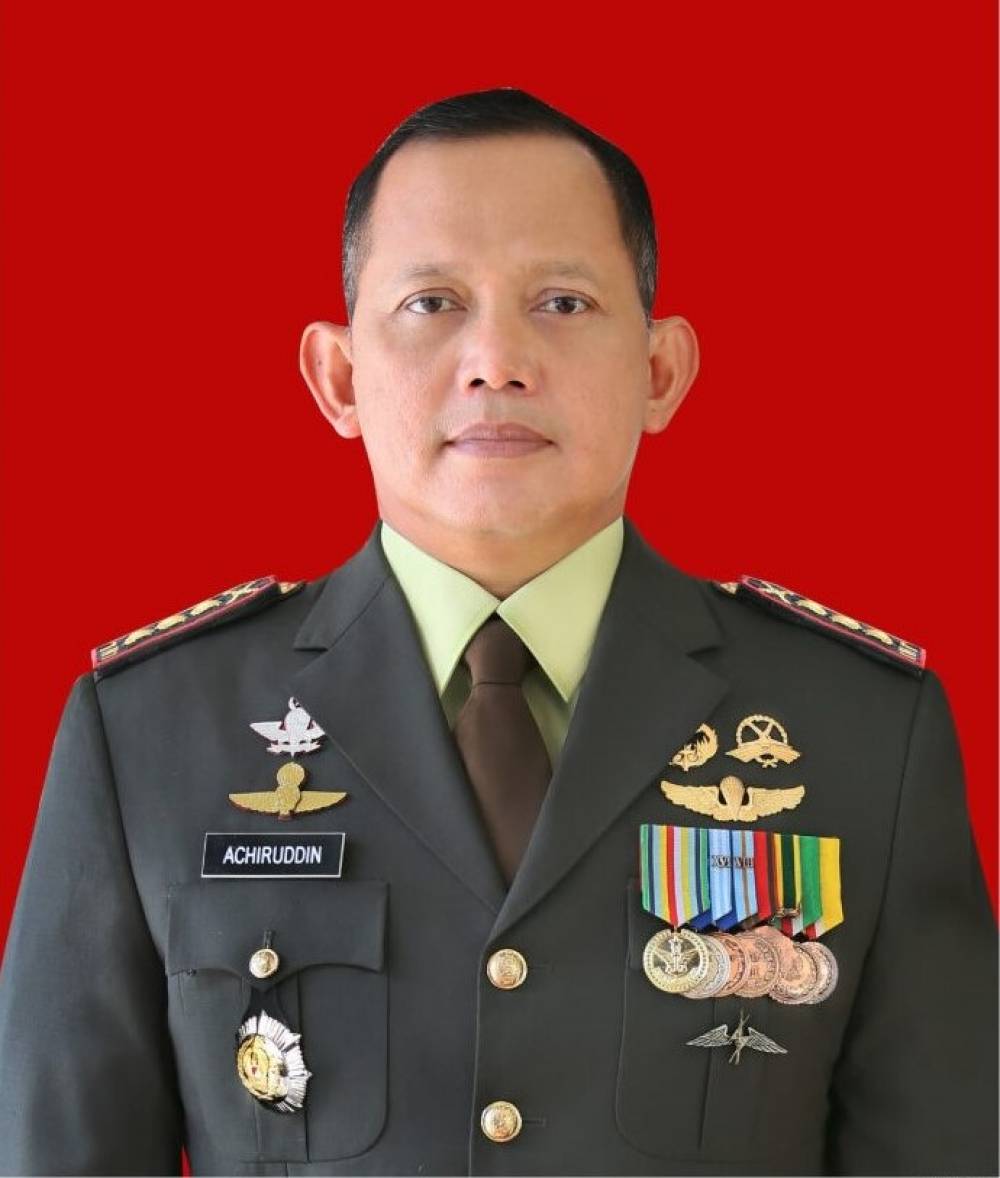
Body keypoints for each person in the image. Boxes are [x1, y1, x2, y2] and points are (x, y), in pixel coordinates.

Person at [0, 86, 995, 1177]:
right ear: (339, 376)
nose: (495, 360)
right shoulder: (148, 732)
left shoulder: (861, 730)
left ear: (659, 370)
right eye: (431, 302)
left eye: (562, 302)